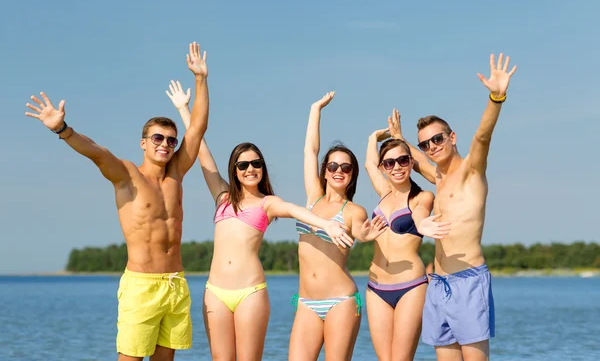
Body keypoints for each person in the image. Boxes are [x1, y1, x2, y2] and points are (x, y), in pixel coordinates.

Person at [24, 42, 210, 361]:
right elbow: (97, 152)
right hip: (141, 287)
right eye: (157, 138)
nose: (165, 144)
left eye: (170, 140)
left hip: (176, 284)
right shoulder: (126, 175)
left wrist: (201, 79)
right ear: (143, 143)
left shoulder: (177, 173)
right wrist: (63, 129)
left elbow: (198, 127)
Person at [167, 83, 352, 361]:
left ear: (262, 168)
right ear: (235, 170)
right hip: (215, 291)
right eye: (243, 165)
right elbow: (202, 153)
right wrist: (184, 108)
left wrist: (326, 224)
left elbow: (294, 210)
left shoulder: (267, 203)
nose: (250, 169)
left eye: (255, 164)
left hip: (250, 292)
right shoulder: (222, 196)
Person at [392, 53, 517, 361]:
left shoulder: (472, 171)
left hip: (469, 281)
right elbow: (418, 160)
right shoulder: (438, 177)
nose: (432, 146)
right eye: (426, 143)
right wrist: (399, 138)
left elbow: (482, 136)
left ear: (452, 137)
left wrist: (496, 96)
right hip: (439, 283)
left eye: (438, 139)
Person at [288, 92, 369, 361]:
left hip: (341, 301)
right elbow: (310, 150)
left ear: (352, 175)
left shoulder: (355, 211)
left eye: (346, 168)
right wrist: (315, 109)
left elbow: (364, 233)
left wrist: (367, 235)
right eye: (333, 165)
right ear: (324, 170)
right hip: (306, 303)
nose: (338, 170)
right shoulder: (313, 197)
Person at [361, 126, 450, 361]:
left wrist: (421, 225)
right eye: (389, 163)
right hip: (376, 288)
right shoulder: (383, 193)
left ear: (411, 162)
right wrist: (373, 138)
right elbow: (369, 164)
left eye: (402, 160)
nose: (396, 167)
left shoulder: (423, 197)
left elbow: (420, 213)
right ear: (384, 168)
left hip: (410, 286)